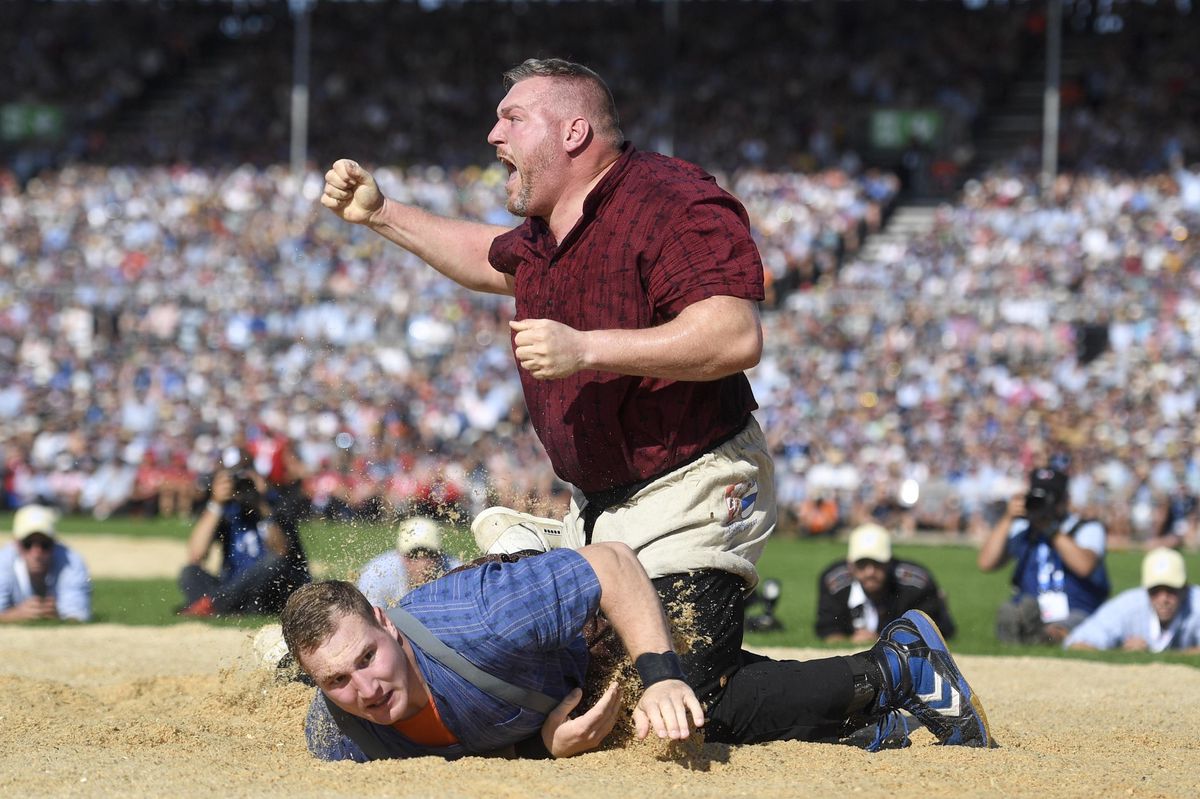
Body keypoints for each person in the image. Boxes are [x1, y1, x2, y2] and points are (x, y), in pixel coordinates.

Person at [321, 57, 778, 744]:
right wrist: (382, 214)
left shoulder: (670, 199)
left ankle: (894, 672)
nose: (491, 133)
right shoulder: (545, 226)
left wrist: (587, 347)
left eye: (512, 117)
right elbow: (488, 258)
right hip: (601, 505)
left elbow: (735, 334)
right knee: (598, 676)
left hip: (695, 478)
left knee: (678, 691)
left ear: (573, 131)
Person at [281, 544, 993, 762]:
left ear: (387, 622)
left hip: (613, 612)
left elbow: (615, 567)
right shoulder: (341, 737)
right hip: (551, 686)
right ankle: (876, 722)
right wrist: (549, 746)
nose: (364, 686)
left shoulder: (486, 618)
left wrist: (655, 675)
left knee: (692, 705)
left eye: (367, 657)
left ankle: (896, 664)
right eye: (337, 679)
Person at [978, 466, 1111, 644]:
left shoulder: (1086, 528)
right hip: (1031, 608)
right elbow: (986, 563)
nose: (1041, 505)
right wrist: (1007, 518)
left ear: (1064, 500)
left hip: (1076, 609)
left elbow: (1084, 566)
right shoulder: (1024, 529)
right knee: (1015, 611)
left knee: (1070, 625)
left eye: (1049, 498)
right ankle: (1024, 630)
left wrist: (1049, 529)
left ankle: (1044, 636)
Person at [177, 452, 310, 617]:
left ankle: (214, 605)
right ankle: (224, 605)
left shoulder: (276, 502)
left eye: (246, 476)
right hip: (234, 586)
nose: (242, 485)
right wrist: (216, 504)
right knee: (189, 572)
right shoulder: (226, 509)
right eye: (235, 478)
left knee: (273, 563)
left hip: (273, 589)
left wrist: (261, 506)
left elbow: (281, 550)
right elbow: (195, 554)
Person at [816, 523, 956, 643]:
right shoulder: (834, 583)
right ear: (850, 565)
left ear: (890, 562)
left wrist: (881, 640)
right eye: (862, 564)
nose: (870, 572)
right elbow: (828, 630)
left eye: (877, 563)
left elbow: (936, 634)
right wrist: (850, 640)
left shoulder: (915, 585)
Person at [1064, 548, 1200, 653]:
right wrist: (1122, 652)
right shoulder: (1127, 606)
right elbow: (1076, 643)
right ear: (1145, 589)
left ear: (1185, 588)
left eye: (1171, 590)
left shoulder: (1196, 603)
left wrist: (1152, 653)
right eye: (1155, 590)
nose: (1163, 599)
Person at [0, 504, 91, 622]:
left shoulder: (71, 561)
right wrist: (16, 615)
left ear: (54, 543)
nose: (37, 553)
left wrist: (59, 615)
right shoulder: (3, 562)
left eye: (45, 544)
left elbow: (78, 614)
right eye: (28, 544)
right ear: (17, 545)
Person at [356, 516, 462, 608]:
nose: (423, 564)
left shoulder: (457, 574)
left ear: (440, 556)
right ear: (401, 555)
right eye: (414, 556)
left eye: (430, 555)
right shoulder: (376, 575)